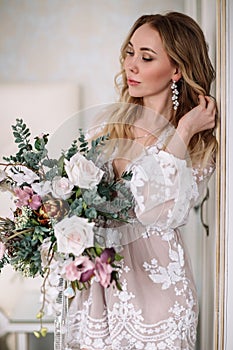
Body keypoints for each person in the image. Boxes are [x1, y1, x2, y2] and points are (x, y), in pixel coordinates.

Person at [67, 12, 217, 350]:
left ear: (177, 70)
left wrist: (183, 131)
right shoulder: (107, 127)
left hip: (158, 299)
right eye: (130, 52)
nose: (131, 65)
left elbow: (159, 212)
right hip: (99, 293)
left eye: (146, 57)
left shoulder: (197, 143)